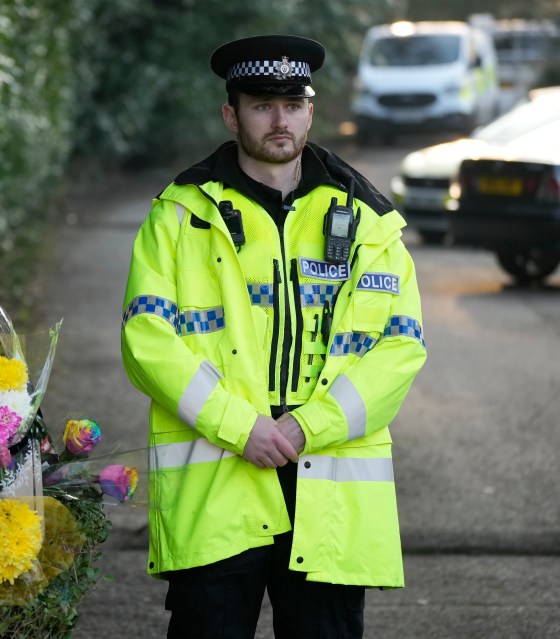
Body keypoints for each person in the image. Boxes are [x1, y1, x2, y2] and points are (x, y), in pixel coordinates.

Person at [119, 34, 427, 638]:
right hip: (221, 473)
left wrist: (309, 425)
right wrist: (244, 427)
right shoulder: (179, 215)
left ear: (311, 110)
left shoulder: (370, 222)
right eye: (262, 104)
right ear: (231, 114)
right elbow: (146, 339)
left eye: (293, 102)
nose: (279, 119)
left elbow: (400, 346)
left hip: (329, 476)